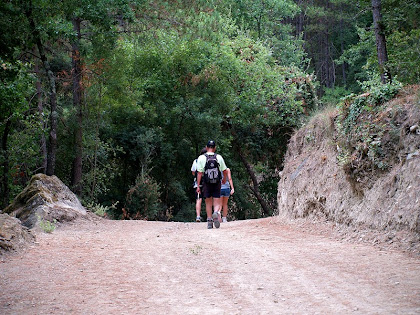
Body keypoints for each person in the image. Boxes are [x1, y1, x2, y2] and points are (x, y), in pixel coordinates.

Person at [196, 140, 228, 229]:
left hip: (206, 182)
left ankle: (209, 220)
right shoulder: (219, 157)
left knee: (208, 202)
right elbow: (224, 170)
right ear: (215, 148)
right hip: (217, 182)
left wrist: (198, 185)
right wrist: (224, 179)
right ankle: (216, 212)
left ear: (206, 147)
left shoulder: (201, 158)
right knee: (217, 201)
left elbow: (199, 173)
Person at [191, 147, 207, 222]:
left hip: (197, 183)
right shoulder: (209, 160)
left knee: (198, 199)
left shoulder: (196, 161)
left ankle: (198, 216)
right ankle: (210, 217)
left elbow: (193, 172)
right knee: (208, 200)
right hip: (207, 183)